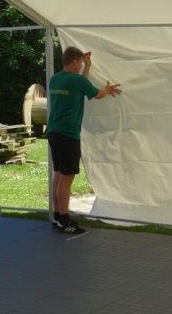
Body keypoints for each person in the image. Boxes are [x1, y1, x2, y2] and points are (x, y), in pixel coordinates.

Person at [47, 46, 121, 235]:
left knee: (59, 174)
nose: (80, 66)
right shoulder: (77, 80)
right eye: (80, 63)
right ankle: (65, 221)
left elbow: (81, 86)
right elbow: (97, 94)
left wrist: (87, 66)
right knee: (67, 178)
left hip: (54, 131)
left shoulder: (55, 79)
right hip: (68, 134)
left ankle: (57, 216)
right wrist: (107, 89)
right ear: (73, 62)